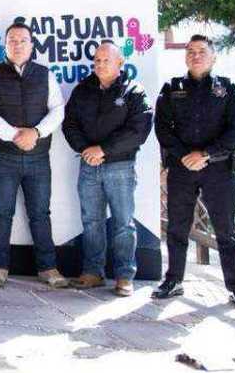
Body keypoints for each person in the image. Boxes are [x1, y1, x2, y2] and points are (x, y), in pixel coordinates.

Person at [152, 35, 235, 311]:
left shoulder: (230, 89)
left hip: (218, 169)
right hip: (182, 168)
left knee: (226, 231)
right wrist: (184, 156)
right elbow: (162, 128)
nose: (195, 55)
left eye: (201, 51)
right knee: (176, 228)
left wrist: (206, 154)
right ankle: (173, 281)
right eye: (191, 51)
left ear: (213, 57)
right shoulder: (172, 88)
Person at [0, 22, 68, 289]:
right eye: (12, 40)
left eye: (22, 40)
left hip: (38, 156)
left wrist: (36, 133)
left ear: (31, 45)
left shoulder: (45, 74)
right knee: (1, 211)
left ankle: (48, 268)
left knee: (40, 212)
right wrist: (16, 135)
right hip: (4, 155)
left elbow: (57, 109)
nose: (17, 45)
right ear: (5, 45)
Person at [62, 41, 152, 297]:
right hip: (88, 166)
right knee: (92, 221)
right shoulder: (83, 90)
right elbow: (70, 124)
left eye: (106, 60)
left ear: (120, 63)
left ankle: (124, 275)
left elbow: (138, 131)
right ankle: (93, 272)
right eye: (97, 60)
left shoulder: (134, 91)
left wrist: (103, 149)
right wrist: (86, 150)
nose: (100, 65)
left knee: (123, 223)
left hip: (120, 167)